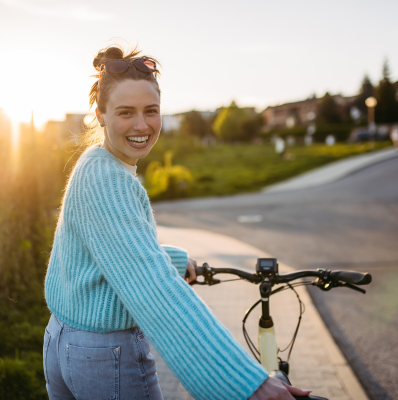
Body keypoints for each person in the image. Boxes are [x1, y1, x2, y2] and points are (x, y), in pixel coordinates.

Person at [43, 44, 312, 400]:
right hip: (106, 356)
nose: (142, 125)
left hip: (65, 342)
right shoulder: (108, 179)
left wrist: (174, 260)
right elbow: (154, 290)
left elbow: (111, 253)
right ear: (100, 114)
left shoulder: (95, 163)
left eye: (150, 111)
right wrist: (248, 385)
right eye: (126, 112)